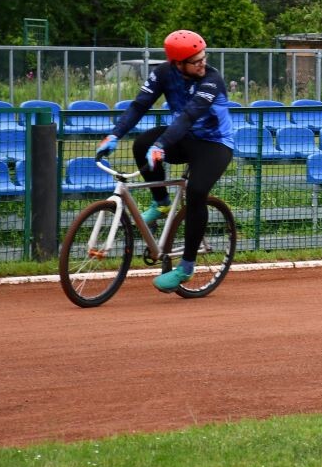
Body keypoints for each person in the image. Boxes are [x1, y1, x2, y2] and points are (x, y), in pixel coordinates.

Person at [95, 30, 235, 292]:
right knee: (141, 145)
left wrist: (162, 145)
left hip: (214, 145)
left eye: (203, 57)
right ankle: (161, 203)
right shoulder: (162, 74)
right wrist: (114, 134)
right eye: (196, 61)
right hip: (183, 138)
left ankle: (186, 266)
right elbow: (139, 106)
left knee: (196, 192)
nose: (202, 64)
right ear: (178, 64)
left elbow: (188, 117)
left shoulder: (212, 80)